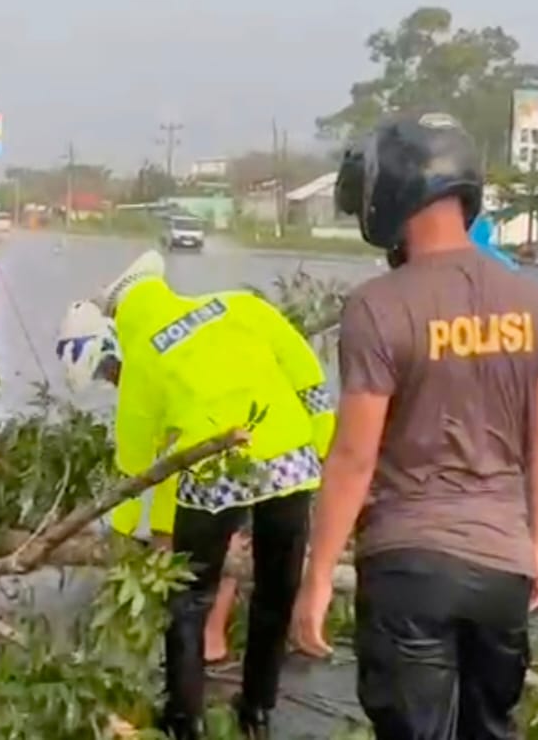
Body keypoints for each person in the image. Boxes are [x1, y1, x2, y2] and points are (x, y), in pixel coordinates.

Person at [291, 112, 538, 740]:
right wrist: (536, 545)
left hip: (409, 566)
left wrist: (318, 577)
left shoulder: (378, 306)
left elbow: (354, 457)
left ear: (390, 194)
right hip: (502, 566)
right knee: (488, 729)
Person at [57, 252, 335, 739]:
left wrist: (126, 534)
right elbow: (306, 371)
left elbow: (138, 465)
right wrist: (320, 442)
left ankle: (185, 722)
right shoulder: (239, 305)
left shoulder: (144, 357)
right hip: (290, 461)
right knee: (276, 591)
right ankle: (257, 711)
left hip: (212, 475)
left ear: (121, 321)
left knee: (188, 601)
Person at [57, 300, 250, 666]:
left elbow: (163, 460)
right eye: (103, 374)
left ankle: (212, 637)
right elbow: (142, 461)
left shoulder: (158, 361)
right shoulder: (140, 374)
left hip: (232, 439)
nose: (110, 379)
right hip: (200, 441)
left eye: (108, 369)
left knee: (229, 529)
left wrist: (151, 533)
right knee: (178, 530)